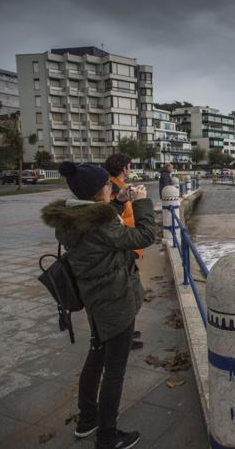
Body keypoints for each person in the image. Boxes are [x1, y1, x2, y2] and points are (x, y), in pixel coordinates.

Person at [42, 161, 155, 449]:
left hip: (96, 298)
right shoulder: (100, 223)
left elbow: (98, 230)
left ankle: (87, 420)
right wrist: (142, 203)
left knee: (96, 356)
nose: (111, 186)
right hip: (115, 300)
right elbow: (143, 236)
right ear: (95, 194)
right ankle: (107, 436)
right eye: (107, 185)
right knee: (114, 369)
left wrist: (118, 202)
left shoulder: (74, 218)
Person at [104, 153, 144, 350]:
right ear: (124, 168)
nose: (130, 169)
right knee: (129, 293)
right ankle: (123, 337)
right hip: (125, 244)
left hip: (127, 243)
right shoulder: (111, 189)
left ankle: (127, 331)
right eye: (130, 166)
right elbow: (114, 218)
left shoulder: (118, 187)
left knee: (133, 291)